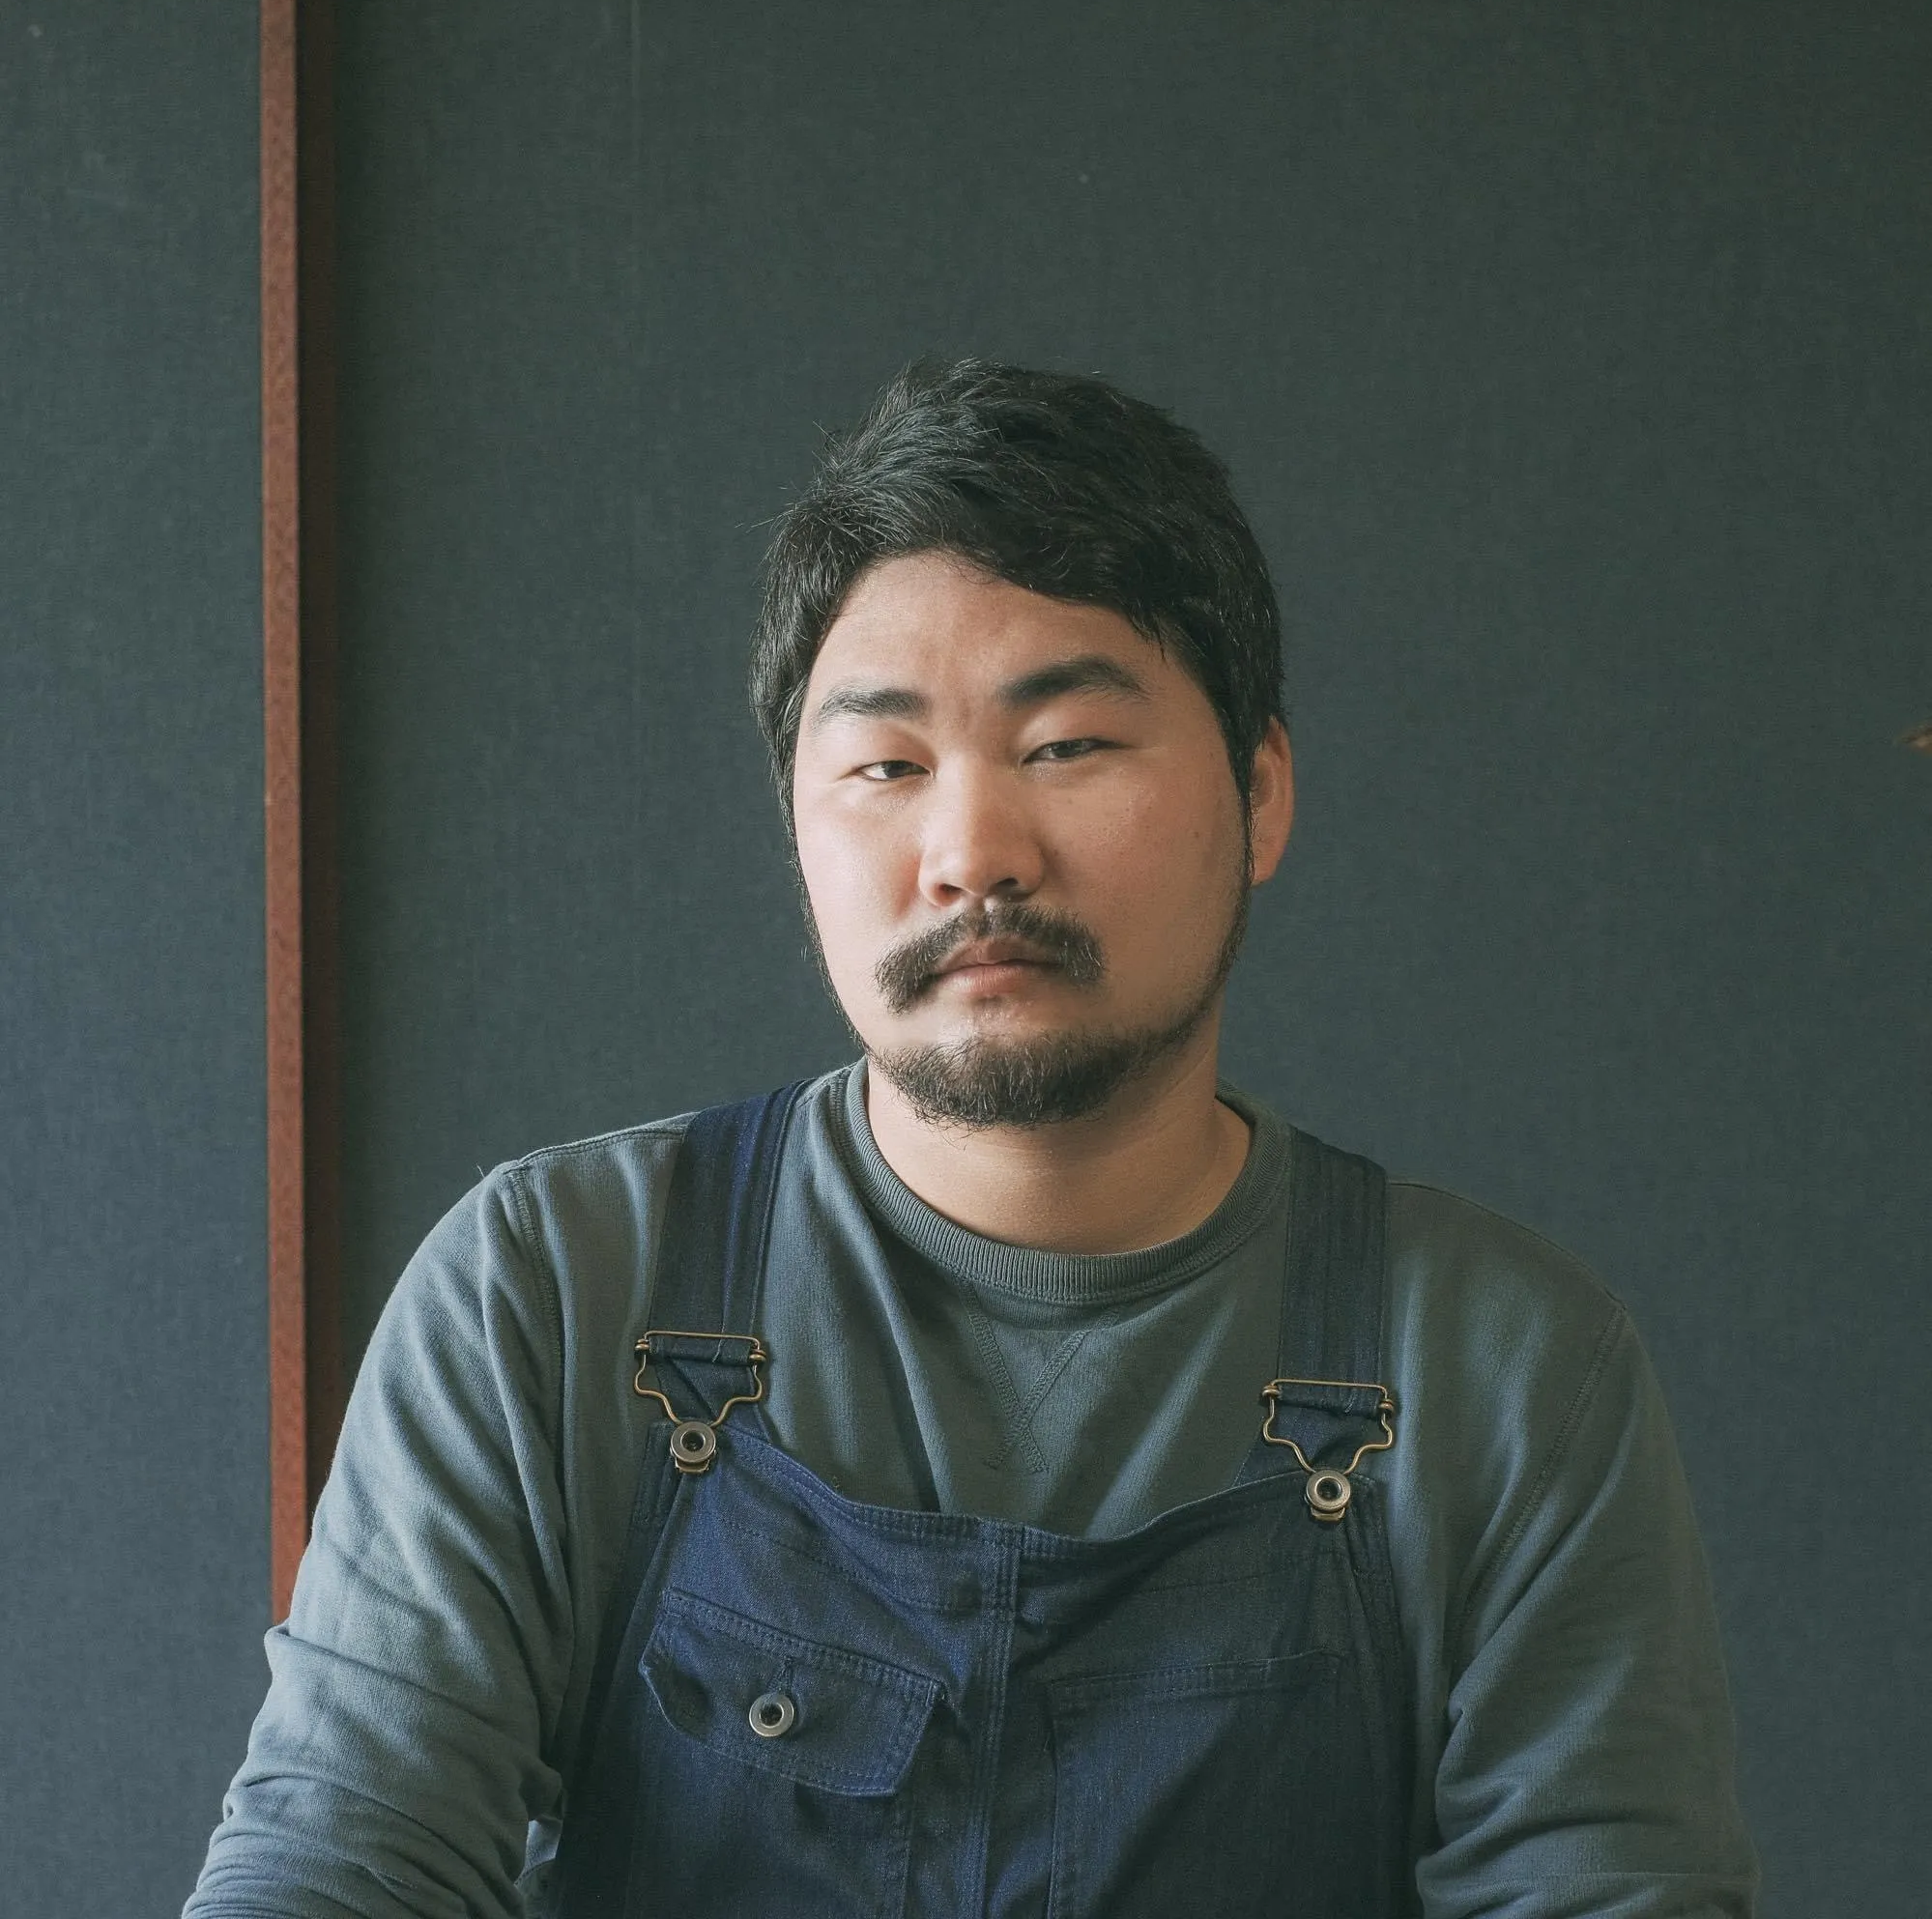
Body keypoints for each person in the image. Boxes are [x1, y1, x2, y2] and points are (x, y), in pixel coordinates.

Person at [187, 360, 1758, 1918]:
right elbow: (334, 1863)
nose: (970, 853)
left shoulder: (1503, 1366)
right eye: (884, 767)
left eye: (1065, 744)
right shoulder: (555, 1286)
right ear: (797, 825)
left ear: (1261, 793)